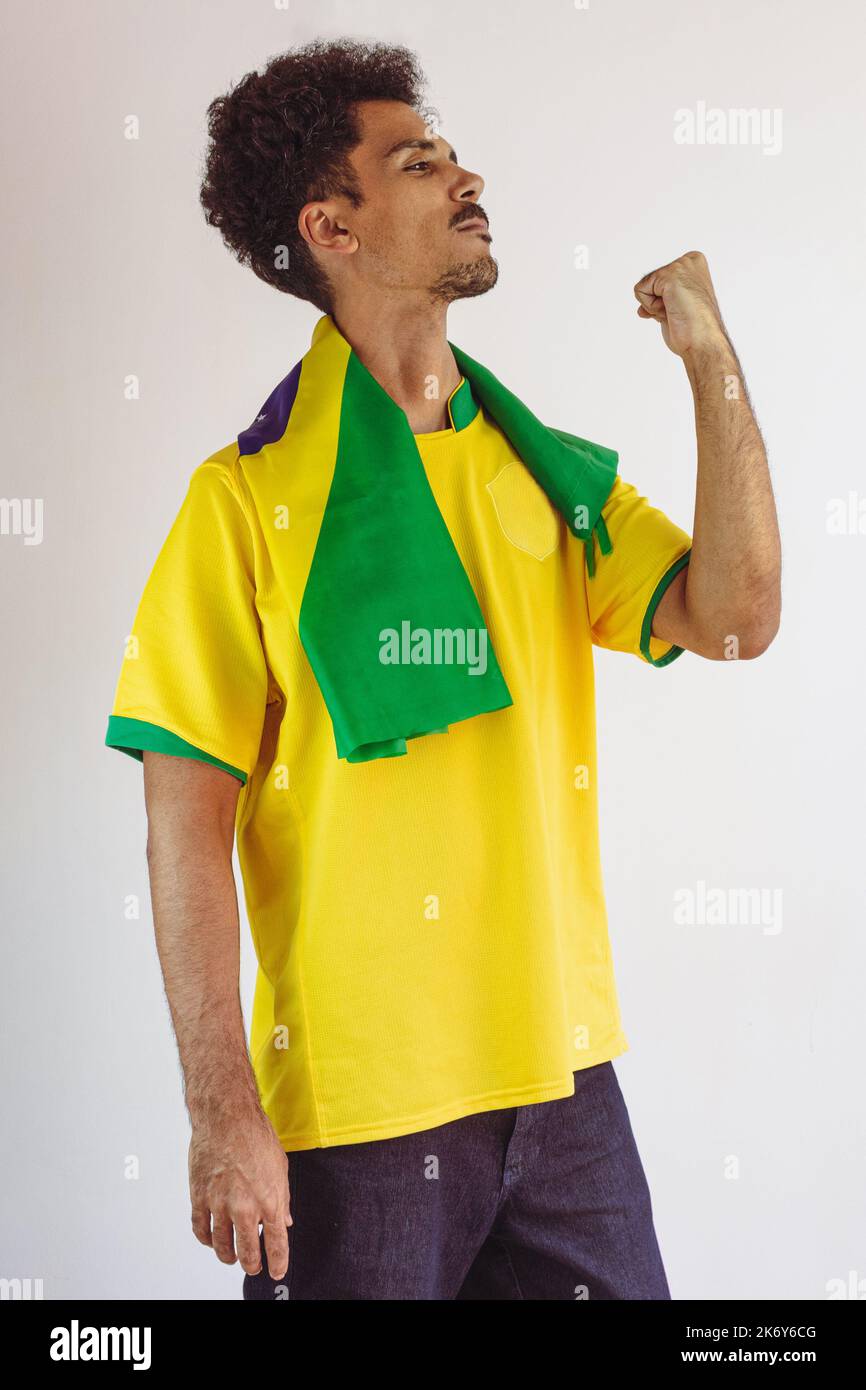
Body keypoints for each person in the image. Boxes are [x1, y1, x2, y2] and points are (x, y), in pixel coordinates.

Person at [106, 38, 781, 1301]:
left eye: (450, 151)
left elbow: (734, 617)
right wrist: (219, 1109)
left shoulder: (547, 475)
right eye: (418, 162)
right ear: (331, 226)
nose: (467, 175)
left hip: (564, 1080)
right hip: (361, 1110)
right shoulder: (246, 503)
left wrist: (712, 365)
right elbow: (181, 813)